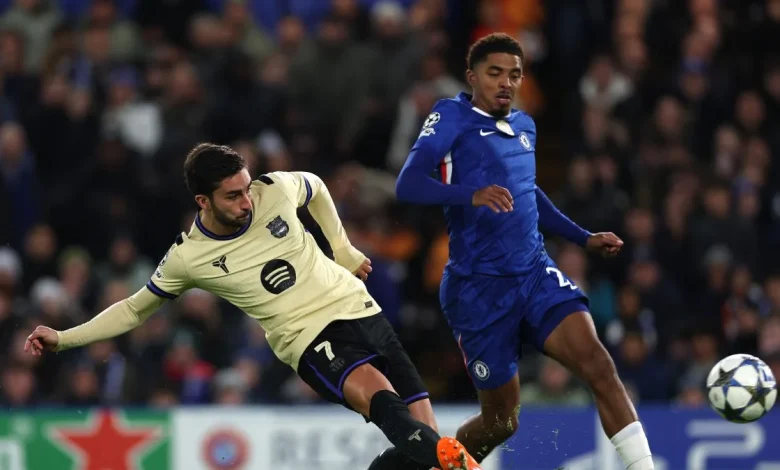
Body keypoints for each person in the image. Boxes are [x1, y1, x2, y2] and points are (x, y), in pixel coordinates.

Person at [25, 143, 481, 470]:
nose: (247, 201)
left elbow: (317, 188)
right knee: (386, 406)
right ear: (203, 201)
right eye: (233, 195)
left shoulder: (273, 189)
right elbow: (133, 309)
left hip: (360, 309)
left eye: (246, 189)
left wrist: (340, 249)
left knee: (423, 444)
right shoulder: (188, 257)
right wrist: (64, 338)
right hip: (309, 339)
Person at [395, 33, 654, 470]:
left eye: (514, 75)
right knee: (502, 422)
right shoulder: (451, 117)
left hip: (534, 274)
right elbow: (408, 183)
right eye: (494, 73)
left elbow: (528, 193)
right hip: (479, 291)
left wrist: (582, 237)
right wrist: (470, 194)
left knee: (599, 364)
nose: (505, 83)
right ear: (471, 76)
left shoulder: (525, 126)